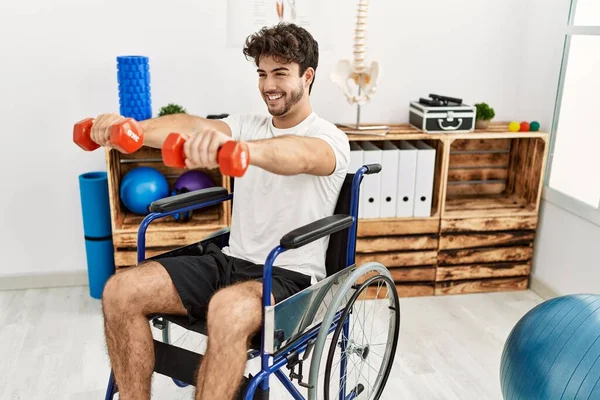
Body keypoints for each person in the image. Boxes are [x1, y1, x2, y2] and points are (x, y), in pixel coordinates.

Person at [95, 22, 350, 400]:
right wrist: (130, 128)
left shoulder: (328, 138)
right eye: (262, 73)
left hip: (288, 277)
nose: (268, 85)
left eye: (280, 73)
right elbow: (191, 125)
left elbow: (298, 155)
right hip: (229, 261)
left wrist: (247, 152)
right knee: (119, 291)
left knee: (227, 310)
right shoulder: (247, 124)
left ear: (307, 76)